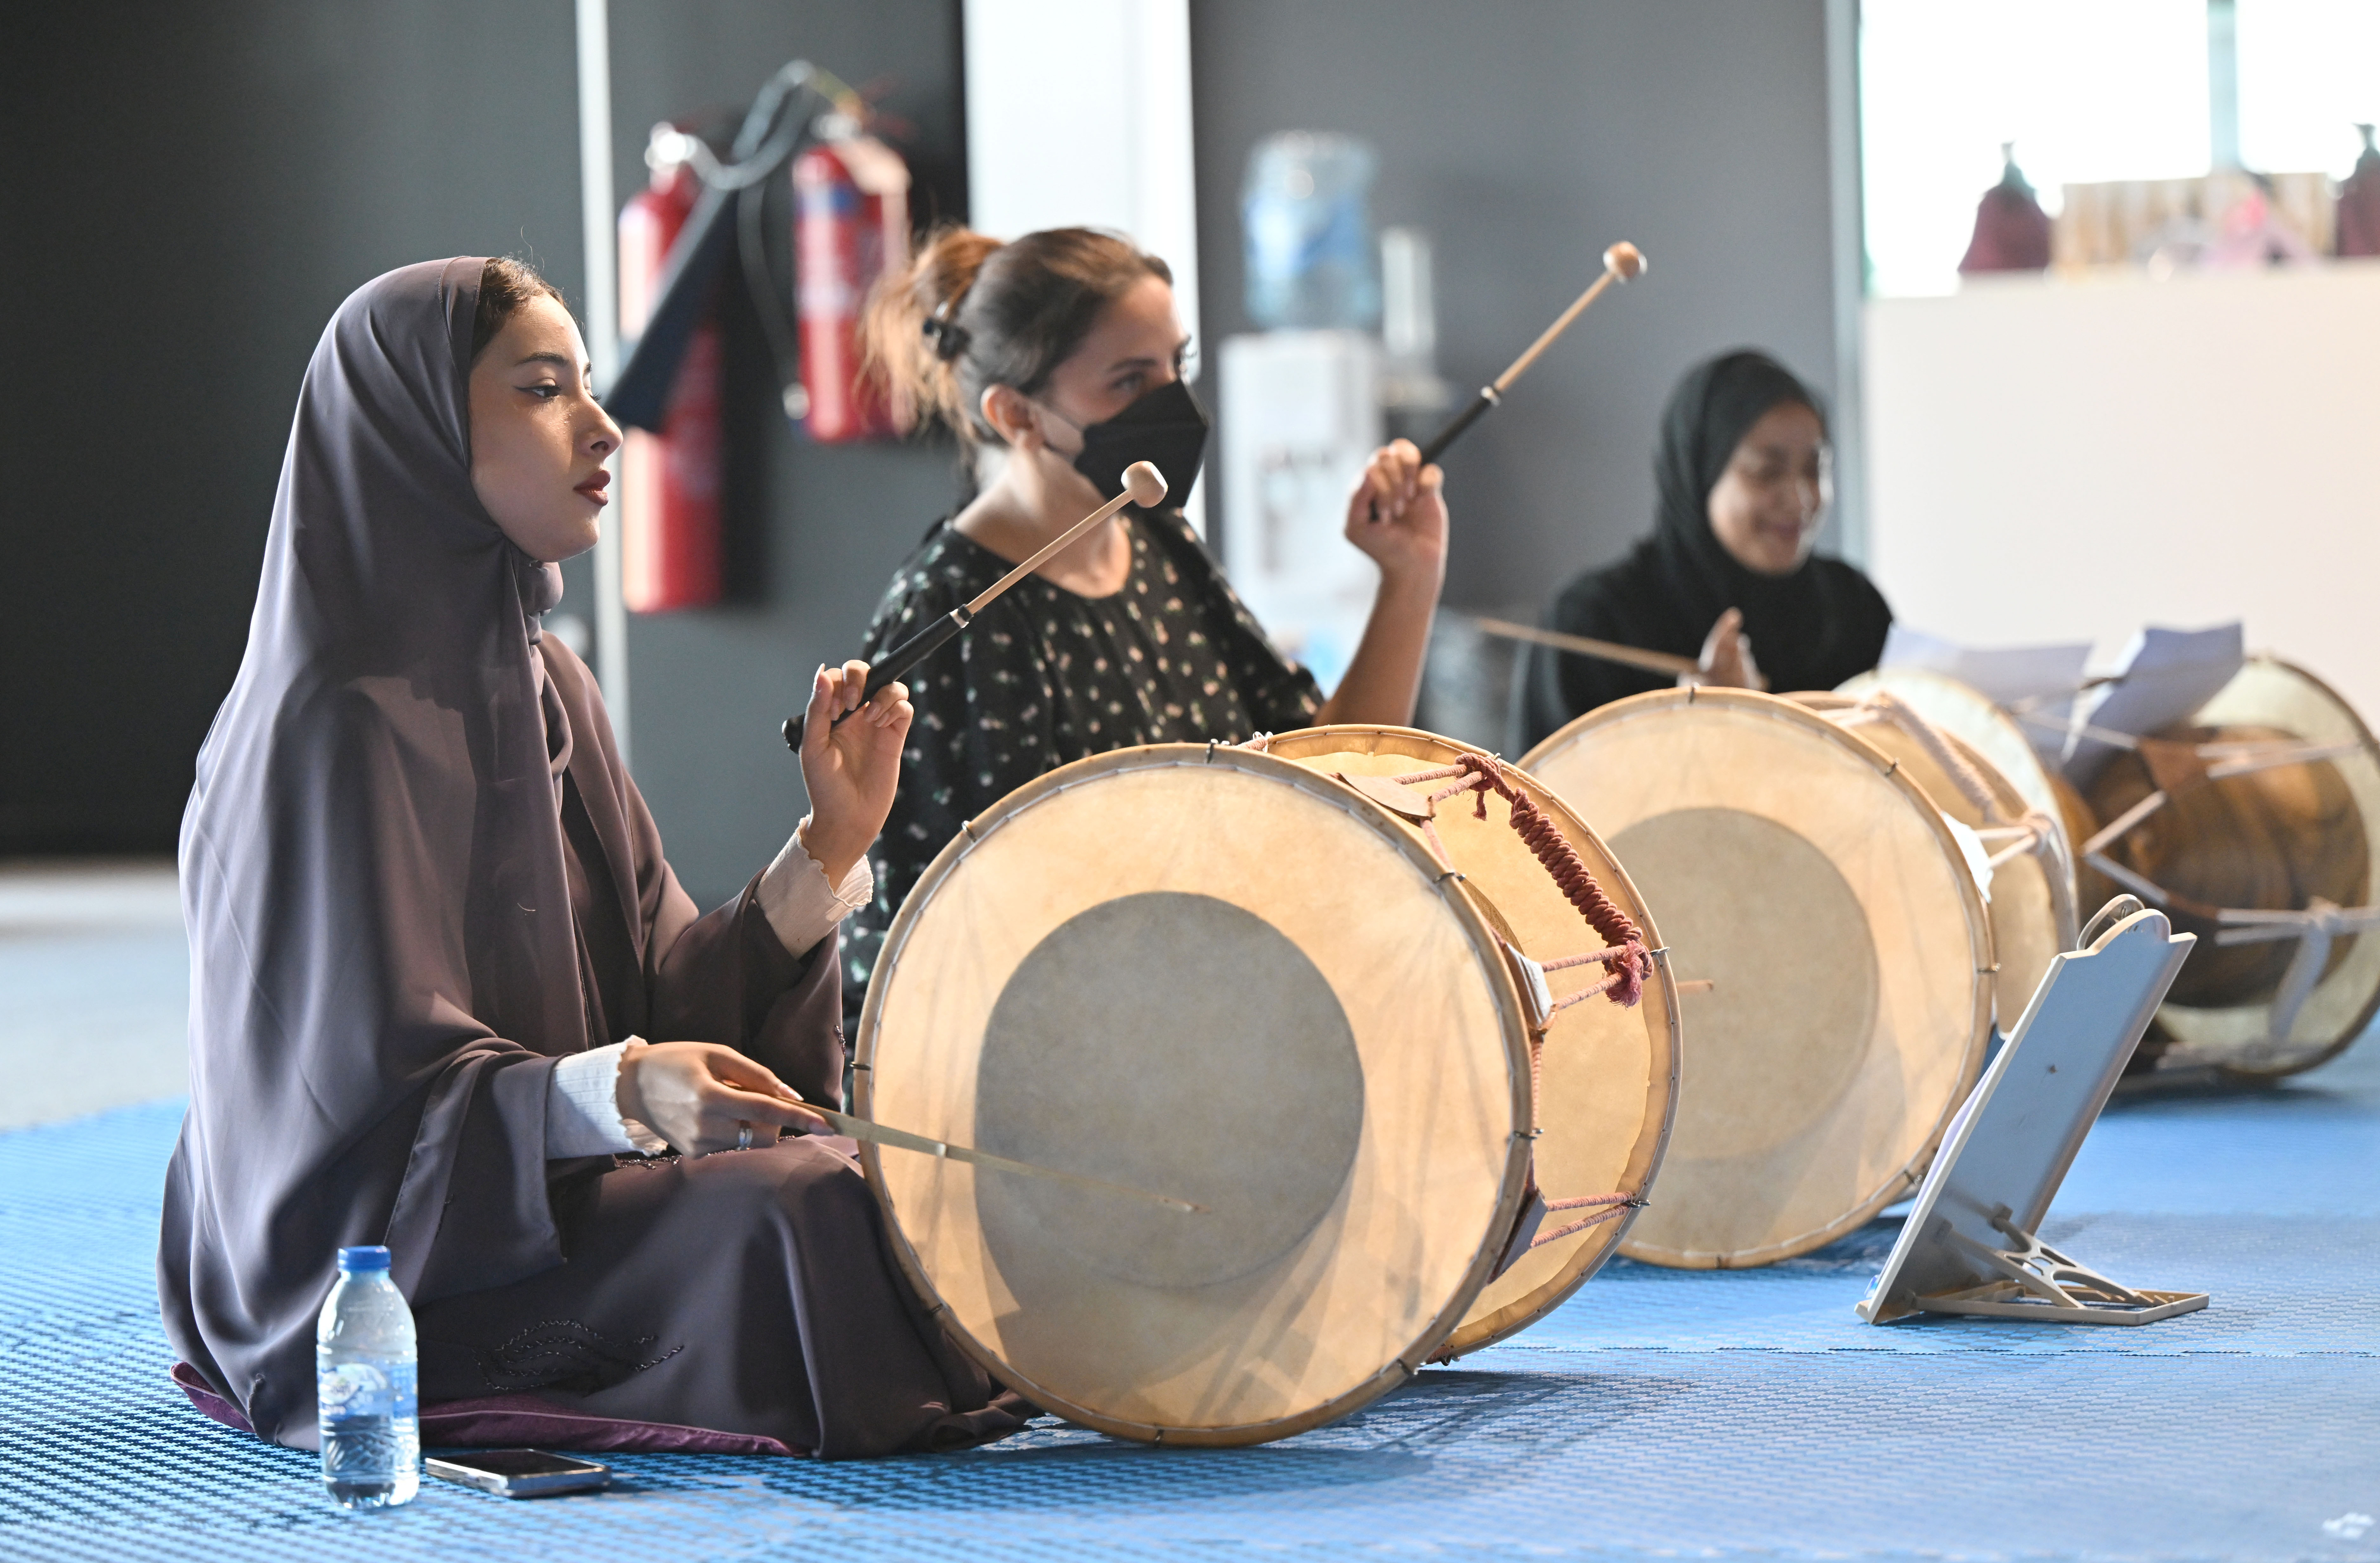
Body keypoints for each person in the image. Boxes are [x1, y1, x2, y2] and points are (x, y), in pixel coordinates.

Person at [158, 257, 1025, 1459]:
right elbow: (343, 1125)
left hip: (547, 1183)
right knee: (808, 1211)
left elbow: (659, 988)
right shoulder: (327, 726)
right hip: (383, 1264)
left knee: (912, 1156)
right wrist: (613, 1092)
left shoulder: (549, 680)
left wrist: (823, 845)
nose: (602, 423)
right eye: (540, 389)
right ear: (412, 430)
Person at [844, 226, 1449, 1025]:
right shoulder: (962, 615)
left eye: (1177, 366)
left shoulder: (1159, 539)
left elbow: (1328, 781)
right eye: (1130, 381)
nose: (1173, 404)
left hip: (1204, 1027)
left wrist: (1409, 578)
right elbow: (975, 956)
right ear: (1018, 414)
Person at [1511, 349, 1892, 753]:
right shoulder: (1596, 622)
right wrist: (1695, 732)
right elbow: (1539, 804)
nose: (1800, 500)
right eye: (1767, 472)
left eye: (1815, 470)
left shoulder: (1853, 607)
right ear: (1700, 472)